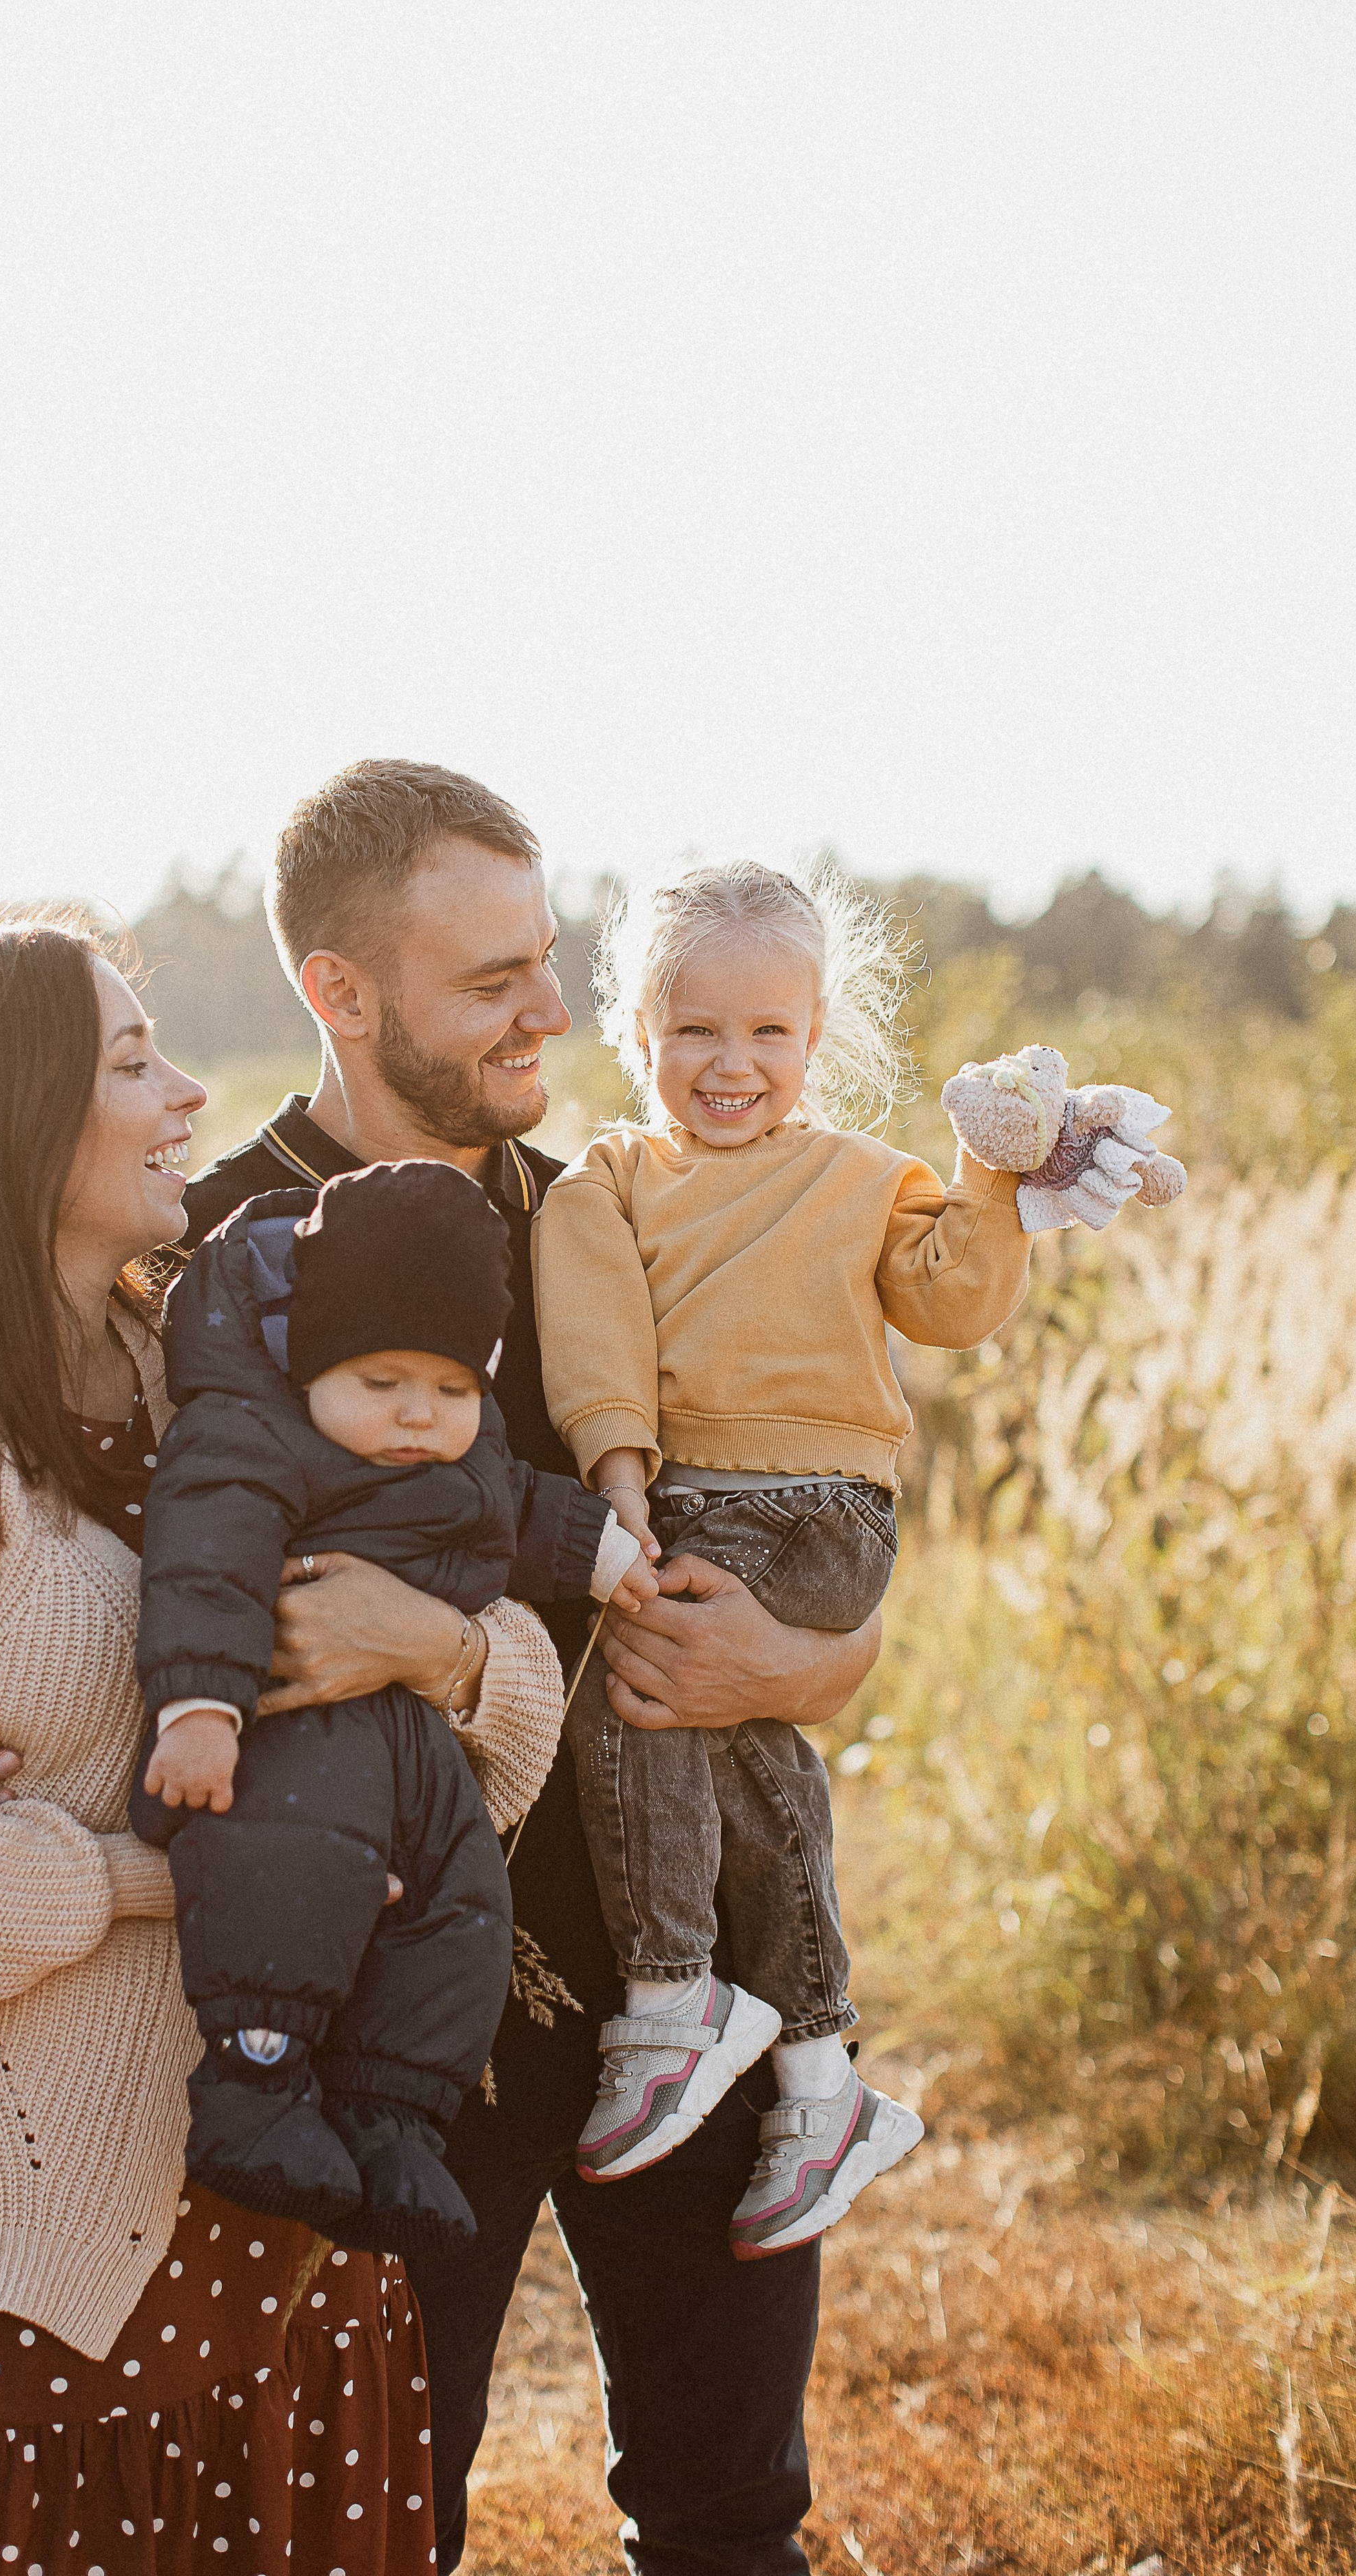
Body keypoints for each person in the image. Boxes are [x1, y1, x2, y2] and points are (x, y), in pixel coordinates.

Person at [0, 914, 566, 2576]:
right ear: (4, 1120)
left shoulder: (220, 1378)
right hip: (78, 2268)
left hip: (314, 2214)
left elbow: (497, 1722)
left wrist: (424, 1651)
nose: (191, 1097)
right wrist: (161, 1873)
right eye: (134, 1062)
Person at [179, 762, 884, 2576]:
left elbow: (819, 1538)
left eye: (548, 960)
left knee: (731, 2517)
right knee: (368, 2530)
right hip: (396, 2027)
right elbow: (193, 1618)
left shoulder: (634, 1217)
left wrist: (807, 1665)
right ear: (341, 992)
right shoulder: (220, 1257)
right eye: (491, 979)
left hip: (692, 1981)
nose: (551, 1012)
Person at [533, 859, 1036, 2249]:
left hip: (819, 1514)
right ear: (638, 1032)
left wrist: (992, 1176)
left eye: (768, 1031)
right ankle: (820, 2082)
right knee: (748, 1758)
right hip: (688, 1500)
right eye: (694, 1029)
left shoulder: (868, 1179)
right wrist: (621, 1479)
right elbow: (594, 1339)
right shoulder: (609, 1183)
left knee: (634, 1690)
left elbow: (953, 1301)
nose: (731, 1063)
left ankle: (672, 1992)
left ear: (814, 1037)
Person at [131, 1158, 647, 2251]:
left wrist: (608, 1554)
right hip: (295, 1736)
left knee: (464, 1910)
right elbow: (205, 1564)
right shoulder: (252, 1439)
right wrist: (200, 1709)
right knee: (291, 1879)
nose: (419, 1414)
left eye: (454, 1390)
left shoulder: (465, 1452)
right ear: (310, 1361)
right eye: (382, 1382)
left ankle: (394, 2115)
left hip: (421, 1749)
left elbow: (517, 1511)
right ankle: (256, 2085)